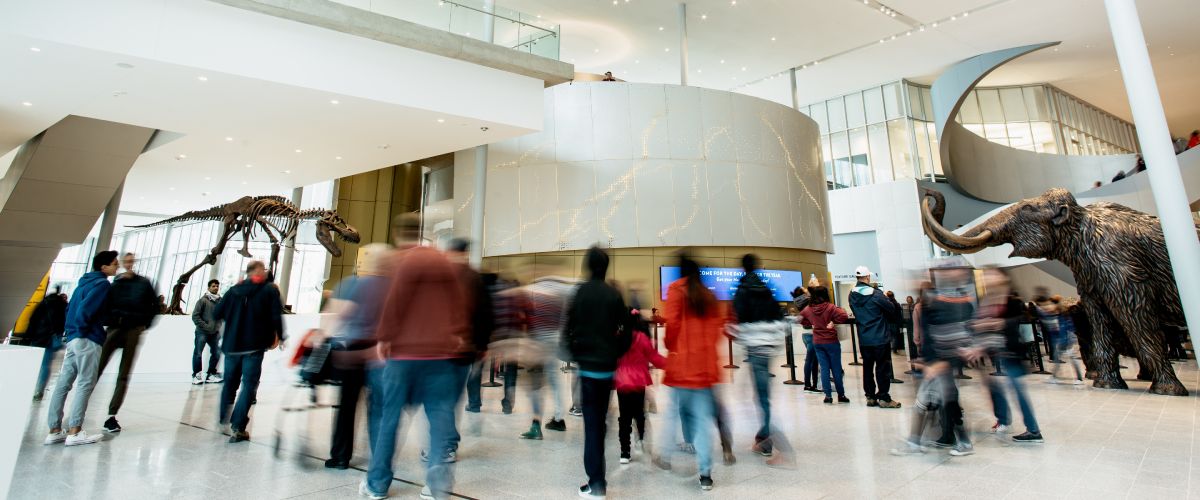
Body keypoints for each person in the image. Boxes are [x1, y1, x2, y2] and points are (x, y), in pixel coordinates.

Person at [364, 214, 472, 500]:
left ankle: (377, 483)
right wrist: (458, 333)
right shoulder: (442, 261)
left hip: (404, 356)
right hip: (441, 355)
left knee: (389, 418)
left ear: (400, 235)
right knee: (439, 416)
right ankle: (436, 476)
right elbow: (458, 305)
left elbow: (396, 301)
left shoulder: (405, 262)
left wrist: (385, 338)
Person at [562, 245, 632, 499]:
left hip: (588, 370)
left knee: (592, 426)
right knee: (599, 422)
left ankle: (597, 483)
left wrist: (575, 354)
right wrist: (615, 352)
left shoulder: (579, 293)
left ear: (588, 266)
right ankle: (597, 478)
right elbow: (626, 331)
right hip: (606, 370)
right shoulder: (613, 295)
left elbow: (567, 328)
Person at [653, 252, 723, 492]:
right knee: (703, 421)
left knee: (672, 412)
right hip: (705, 368)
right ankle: (705, 474)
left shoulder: (676, 290)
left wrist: (673, 348)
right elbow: (716, 331)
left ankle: (664, 456)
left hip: (682, 366)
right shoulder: (709, 295)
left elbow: (672, 326)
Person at [893, 257, 975, 457]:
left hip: (943, 363)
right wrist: (928, 360)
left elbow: (960, 334)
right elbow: (932, 334)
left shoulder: (959, 301)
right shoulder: (935, 299)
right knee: (931, 402)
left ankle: (961, 441)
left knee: (945, 401)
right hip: (936, 363)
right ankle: (919, 441)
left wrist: (942, 362)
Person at [322, 243, 392, 470]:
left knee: (346, 406)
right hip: (380, 354)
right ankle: (379, 459)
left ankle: (341, 456)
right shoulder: (393, 286)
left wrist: (325, 338)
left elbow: (336, 317)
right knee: (379, 407)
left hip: (352, 354)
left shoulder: (353, 284)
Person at [45, 250, 120, 447]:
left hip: (73, 338)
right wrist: (84, 330)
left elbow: (71, 309)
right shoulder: (102, 284)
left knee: (64, 382)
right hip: (87, 338)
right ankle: (75, 430)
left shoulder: (83, 283)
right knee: (85, 383)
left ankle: (54, 430)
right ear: (103, 267)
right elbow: (85, 310)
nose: (117, 266)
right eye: (114, 263)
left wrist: (71, 332)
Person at [969, 270, 1043, 444]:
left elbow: (1022, 320)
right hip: (993, 351)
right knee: (994, 387)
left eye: (992, 275)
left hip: (1010, 351)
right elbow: (981, 324)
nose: (988, 279)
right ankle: (1003, 419)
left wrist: (1000, 323)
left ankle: (1033, 430)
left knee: (1017, 389)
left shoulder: (1012, 300)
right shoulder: (987, 300)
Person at [214, 260, 284, 443]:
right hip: (253, 346)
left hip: (232, 346)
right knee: (249, 385)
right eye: (263, 269)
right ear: (258, 272)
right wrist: (281, 336)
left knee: (229, 382)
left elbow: (217, 313)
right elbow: (277, 316)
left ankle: (223, 417)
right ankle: (238, 426)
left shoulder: (233, 290)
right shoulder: (269, 290)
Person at [730, 253, 790, 463]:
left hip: (755, 349)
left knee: (759, 398)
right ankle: (763, 440)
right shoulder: (766, 289)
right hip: (768, 348)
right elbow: (780, 317)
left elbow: (738, 320)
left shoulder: (743, 289)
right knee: (761, 396)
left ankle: (781, 447)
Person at [97, 252, 160, 434]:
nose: (129, 264)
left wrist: (142, 325)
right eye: (126, 261)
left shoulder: (144, 283)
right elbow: (105, 305)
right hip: (115, 328)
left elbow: (154, 305)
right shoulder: (115, 283)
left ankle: (111, 415)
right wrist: (110, 321)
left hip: (133, 330)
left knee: (123, 374)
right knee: (97, 368)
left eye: (132, 261)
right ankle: (80, 410)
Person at [518, 263, 575, 440]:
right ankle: (558, 417)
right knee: (553, 378)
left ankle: (536, 425)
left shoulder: (533, 288)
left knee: (536, 383)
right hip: (554, 339)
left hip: (537, 341)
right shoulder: (562, 289)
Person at [615, 310, 666, 464]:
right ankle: (641, 439)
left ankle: (624, 452)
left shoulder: (618, 338)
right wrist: (671, 364)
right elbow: (654, 358)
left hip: (622, 383)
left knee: (624, 418)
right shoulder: (642, 338)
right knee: (639, 414)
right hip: (638, 383)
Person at [847, 266, 901, 409]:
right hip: (880, 337)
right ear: (868, 277)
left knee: (867, 367)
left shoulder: (851, 294)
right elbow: (891, 309)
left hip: (864, 337)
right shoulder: (876, 294)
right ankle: (883, 397)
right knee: (882, 368)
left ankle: (870, 396)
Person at [798, 285, 850, 404]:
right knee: (836, 368)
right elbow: (844, 316)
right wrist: (833, 322)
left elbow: (801, 319)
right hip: (831, 341)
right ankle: (841, 395)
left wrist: (811, 323)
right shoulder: (830, 307)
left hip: (817, 342)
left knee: (824, 368)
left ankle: (828, 396)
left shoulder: (809, 309)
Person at [29, 286, 68, 401]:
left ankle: (30, 387)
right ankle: (39, 390)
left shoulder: (43, 303)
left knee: (35, 364)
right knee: (46, 365)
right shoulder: (63, 306)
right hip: (52, 338)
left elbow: (33, 320)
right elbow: (65, 322)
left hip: (38, 337)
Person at [191, 279, 223, 385]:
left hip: (215, 333)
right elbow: (195, 316)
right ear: (209, 287)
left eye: (217, 286)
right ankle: (196, 374)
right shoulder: (202, 300)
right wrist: (206, 326)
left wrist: (218, 325)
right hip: (202, 332)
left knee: (217, 352)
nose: (216, 288)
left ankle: (210, 374)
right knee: (198, 353)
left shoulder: (220, 301)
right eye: (213, 286)